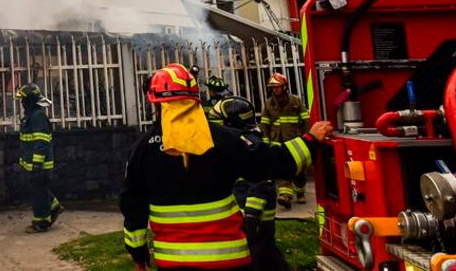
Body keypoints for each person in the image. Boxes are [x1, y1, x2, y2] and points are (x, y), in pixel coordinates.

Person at [120, 64, 332, 270]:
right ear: (195, 99)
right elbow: (269, 162)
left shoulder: (141, 150)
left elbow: (132, 203)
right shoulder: (221, 138)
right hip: (228, 258)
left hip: (173, 262)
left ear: (155, 103)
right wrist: (310, 140)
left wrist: (138, 250)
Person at [212, 96, 288, 271]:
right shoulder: (242, 140)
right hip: (253, 221)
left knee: (258, 259)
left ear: (231, 122)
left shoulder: (249, 144)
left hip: (256, 221)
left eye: (220, 120)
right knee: (268, 256)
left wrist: (251, 216)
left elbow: (262, 182)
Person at [15, 83, 63, 233]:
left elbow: (41, 142)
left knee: (38, 196)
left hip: (40, 166)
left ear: (29, 101)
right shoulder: (31, 117)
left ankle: (41, 223)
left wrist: (36, 163)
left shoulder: (38, 117)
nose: (21, 103)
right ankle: (54, 206)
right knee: (39, 191)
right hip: (33, 165)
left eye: (23, 100)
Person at [258, 73, 310, 208]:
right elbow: (264, 123)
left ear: (284, 87)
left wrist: (307, 138)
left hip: (295, 140)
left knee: (298, 171)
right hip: (277, 141)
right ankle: (285, 195)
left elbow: (305, 120)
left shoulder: (296, 101)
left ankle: (300, 192)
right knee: (281, 169)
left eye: (278, 87)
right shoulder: (269, 104)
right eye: (273, 87)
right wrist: (265, 140)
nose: (275, 90)